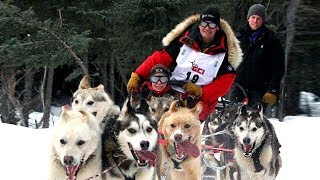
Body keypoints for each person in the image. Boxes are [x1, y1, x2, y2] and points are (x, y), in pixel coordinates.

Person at [127, 6, 243, 121]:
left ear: (217, 27)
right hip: (173, 89)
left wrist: (200, 91)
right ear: (199, 24)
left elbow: (226, 81)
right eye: (204, 24)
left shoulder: (224, 51)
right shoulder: (185, 40)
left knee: (188, 118)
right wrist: (138, 76)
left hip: (198, 98)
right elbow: (160, 58)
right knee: (150, 91)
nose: (207, 28)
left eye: (211, 25)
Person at [231, 4, 285, 108]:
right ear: (248, 18)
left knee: (254, 122)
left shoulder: (271, 40)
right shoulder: (238, 38)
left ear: (263, 20)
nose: (255, 21)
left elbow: (278, 68)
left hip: (260, 89)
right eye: (253, 17)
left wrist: (272, 89)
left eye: (259, 18)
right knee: (234, 118)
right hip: (238, 86)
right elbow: (229, 61)